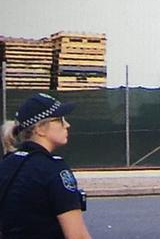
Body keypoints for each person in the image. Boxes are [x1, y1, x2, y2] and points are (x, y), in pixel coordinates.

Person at [0, 93, 92, 239]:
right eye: (60, 120)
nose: (67, 125)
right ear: (40, 129)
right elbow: (77, 235)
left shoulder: (7, 163)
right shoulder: (54, 169)